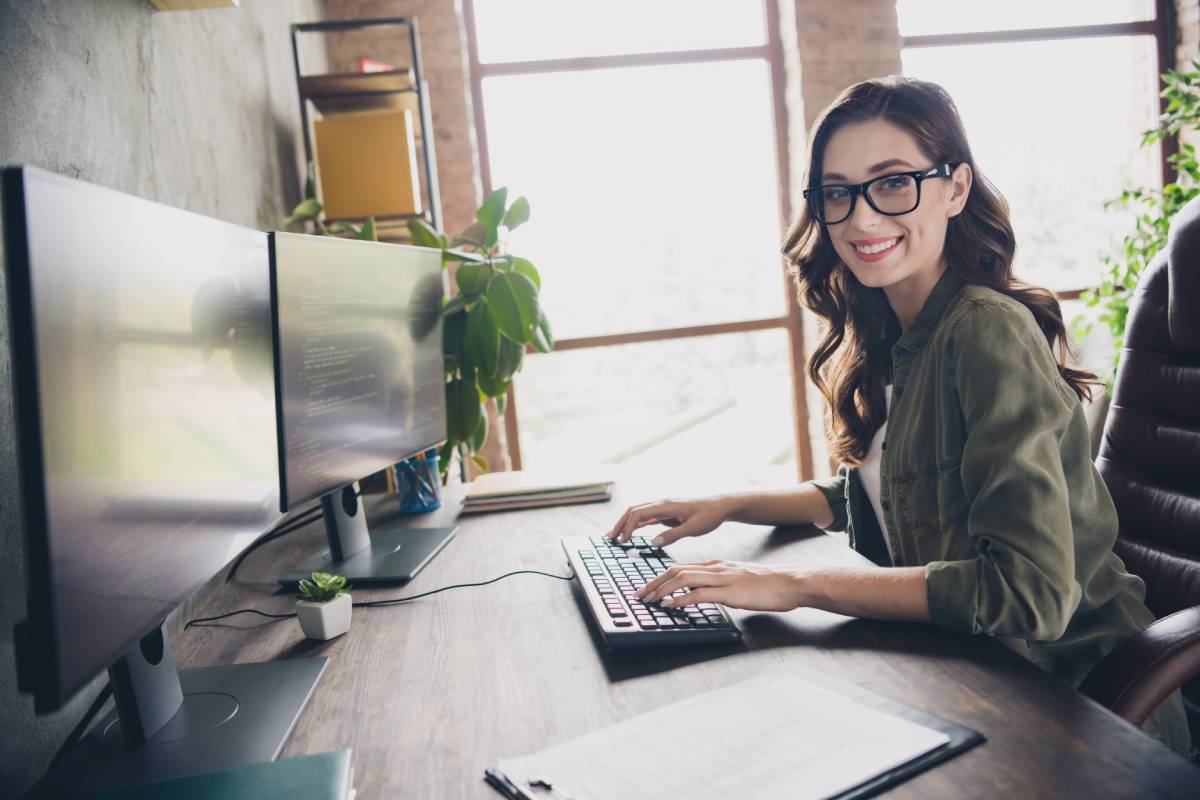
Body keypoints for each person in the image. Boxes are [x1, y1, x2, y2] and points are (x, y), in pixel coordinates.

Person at [606, 75, 1193, 758]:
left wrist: (794, 587)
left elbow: (1027, 593)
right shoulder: (891, 328)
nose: (860, 219)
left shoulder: (984, 332)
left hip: (1072, 709)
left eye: (892, 183)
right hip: (960, 679)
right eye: (837, 192)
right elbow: (890, 490)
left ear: (955, 188)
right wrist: (729, 504)